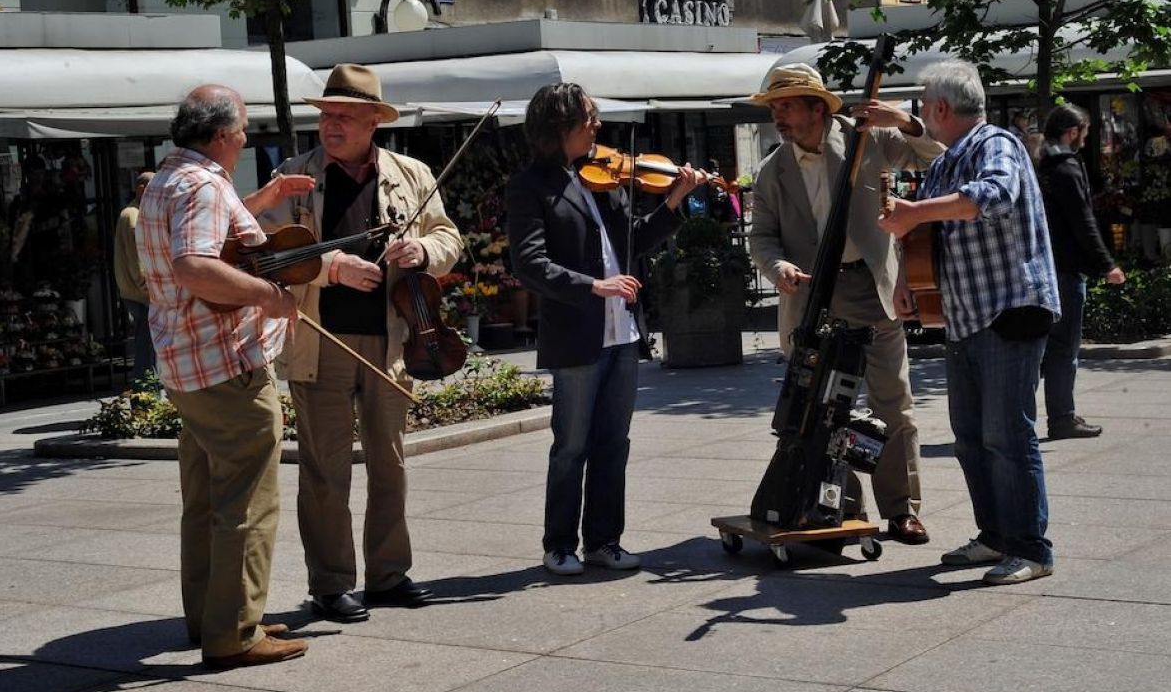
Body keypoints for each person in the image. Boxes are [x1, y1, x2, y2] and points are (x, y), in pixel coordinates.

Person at [258, 64, 463, 623]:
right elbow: (268, 252)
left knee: (390, 462)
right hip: (318, 338)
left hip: (394, 336)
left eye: (345, 116)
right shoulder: (295, 176)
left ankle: (389, 574)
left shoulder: (412, 173)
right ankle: (330, 584)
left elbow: (448, 237)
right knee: (325, 470)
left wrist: (422, 253)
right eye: (326, 115)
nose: (331, 125)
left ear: (375, 120)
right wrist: (332, 267)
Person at [137, 84, 315, 668]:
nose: (246, 137)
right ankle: (235, 632)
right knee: (248, 501)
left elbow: (205, 243)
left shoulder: (167, 178)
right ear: (219, 136)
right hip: (226, 365)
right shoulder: (204, 184)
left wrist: (258, 202)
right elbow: (196, 266)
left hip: (186, 364)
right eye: (242, 129)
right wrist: (270, 296)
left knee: (206, 498)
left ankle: (212, 615)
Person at [506, 82, 705, 576]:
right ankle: (559, 545)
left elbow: (633, 244)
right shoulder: (531, 186)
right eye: (589, 117)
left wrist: (675, 202)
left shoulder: (605, 179)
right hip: (577, 333)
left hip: (623, 334)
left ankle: (604, 541)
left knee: (614, 443)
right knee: (571, 445)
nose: (598, 126)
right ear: (560, 125)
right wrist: (594, 285)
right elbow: (529, 264)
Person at [879, 60, 1060, 586]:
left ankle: (1031, 547)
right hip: (965, 315)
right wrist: (904, 281)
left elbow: (991, 196)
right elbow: (922, 234)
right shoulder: (945, 161)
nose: (922, 117)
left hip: (1009, 309)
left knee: (1008, 435)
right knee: (971, 437)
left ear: (939, 108)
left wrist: (915, 211)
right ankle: (995, 537)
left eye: (923, 108)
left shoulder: (995, 144)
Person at [746, 63, 943, 546]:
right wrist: (778, 269)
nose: (778, 116)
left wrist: (905, 120)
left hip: (871, 289)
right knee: (820, 410)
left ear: (819, 108)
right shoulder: (773, 169)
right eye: (774, 107)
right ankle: (838, 507)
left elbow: (936, 157)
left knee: (892, 406)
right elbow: (762, 238)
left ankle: (901, 511)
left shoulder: (865, 140)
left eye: (786, 105)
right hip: (813, 297)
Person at [1038, 103, 1126, 439]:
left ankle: (1022, 420)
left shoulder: (1041, 166)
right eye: (1084, 134)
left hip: (1044, 269)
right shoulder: (1067, 169)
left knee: (1040, 348)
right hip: (1067, 272)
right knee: (1063, 348)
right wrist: (1107, 265)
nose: (1085, 142)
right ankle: (1062, 418)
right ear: (1071, 132)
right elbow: (1083, 222)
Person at [113, 170, 156, 384]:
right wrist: (151, 291)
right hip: (141, 294)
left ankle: (147, 391)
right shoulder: (133, 216)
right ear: (142, 190)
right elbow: (137, 261)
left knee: (147, 344)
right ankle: (146, 393)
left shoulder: (135, 213)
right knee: (147, 347)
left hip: (137, 292)